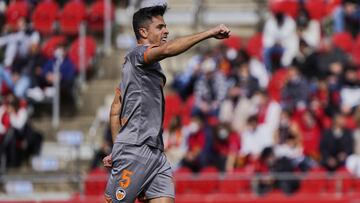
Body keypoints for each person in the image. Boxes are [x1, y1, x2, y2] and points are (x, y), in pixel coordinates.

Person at [102, 4, 230, 203]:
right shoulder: (138, 56)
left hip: (156, 153)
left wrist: (115, 146)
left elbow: (115, 109)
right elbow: (168, 49)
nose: (166, 30)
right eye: (160, 27)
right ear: (143, 32)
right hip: (134, 148)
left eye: (165, 26)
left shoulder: (139, 70)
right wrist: (210, 33)